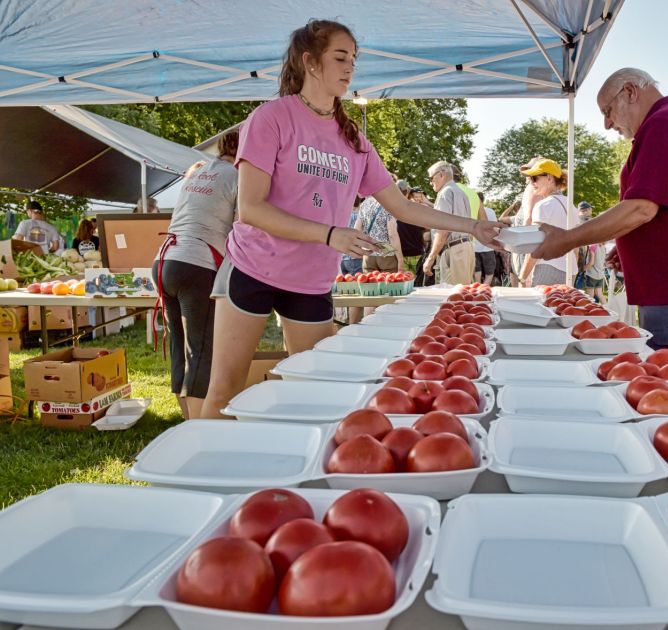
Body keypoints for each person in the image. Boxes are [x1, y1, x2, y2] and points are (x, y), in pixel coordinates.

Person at [200, 20, 500, 418]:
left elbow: (404, 207)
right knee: (225, 392)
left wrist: (472, 226)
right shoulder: (271, 118)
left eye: (353, 61)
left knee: (314, 393)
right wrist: (329, 235)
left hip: (309, 281)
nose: (349, 68)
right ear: (310, 62)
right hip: (254, 269)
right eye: (340, 58)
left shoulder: (355, 140)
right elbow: (252, 208)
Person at [532, 68, 668, 372]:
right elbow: (662, 207)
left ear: (630, 92)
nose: (607, 123)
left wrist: (566, 239)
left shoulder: (663, 124)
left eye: (608, 111)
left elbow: (641, 208)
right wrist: (631, 247)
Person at [152, 130, 239, 420]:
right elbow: (245, 224)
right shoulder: (238, 176)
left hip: (164, 260)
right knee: (200, 351)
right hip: (196, 264)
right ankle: (197, 428)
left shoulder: (198, 172)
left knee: (180, 347)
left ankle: (186, 419)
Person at [519, 158, 574, 287]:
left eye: (534, 178)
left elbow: (536, 246)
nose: (531, 183)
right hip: (570, 269)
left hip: (547, 268)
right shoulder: (571, 205)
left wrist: (522, 277)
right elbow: (576, 248)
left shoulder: (543, 205)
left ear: (549, 178)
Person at [422, 161, 475, 285]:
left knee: (452, 297)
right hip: (465, 247)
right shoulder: (461, 192)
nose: (430, 182)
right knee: (462, 294)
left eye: (431, 178)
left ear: (441, 175)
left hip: (454, 250)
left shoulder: (445, 193)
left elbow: (443, 230)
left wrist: (431, 258)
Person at [473, 192, 498, 285]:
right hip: (488, 247)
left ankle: (477, 290)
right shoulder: (490, 211)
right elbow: (495, 228)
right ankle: (484, 290)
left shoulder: (471, 211)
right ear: (483, 200)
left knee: (476, 272)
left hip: (474, 247)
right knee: (489, 273)